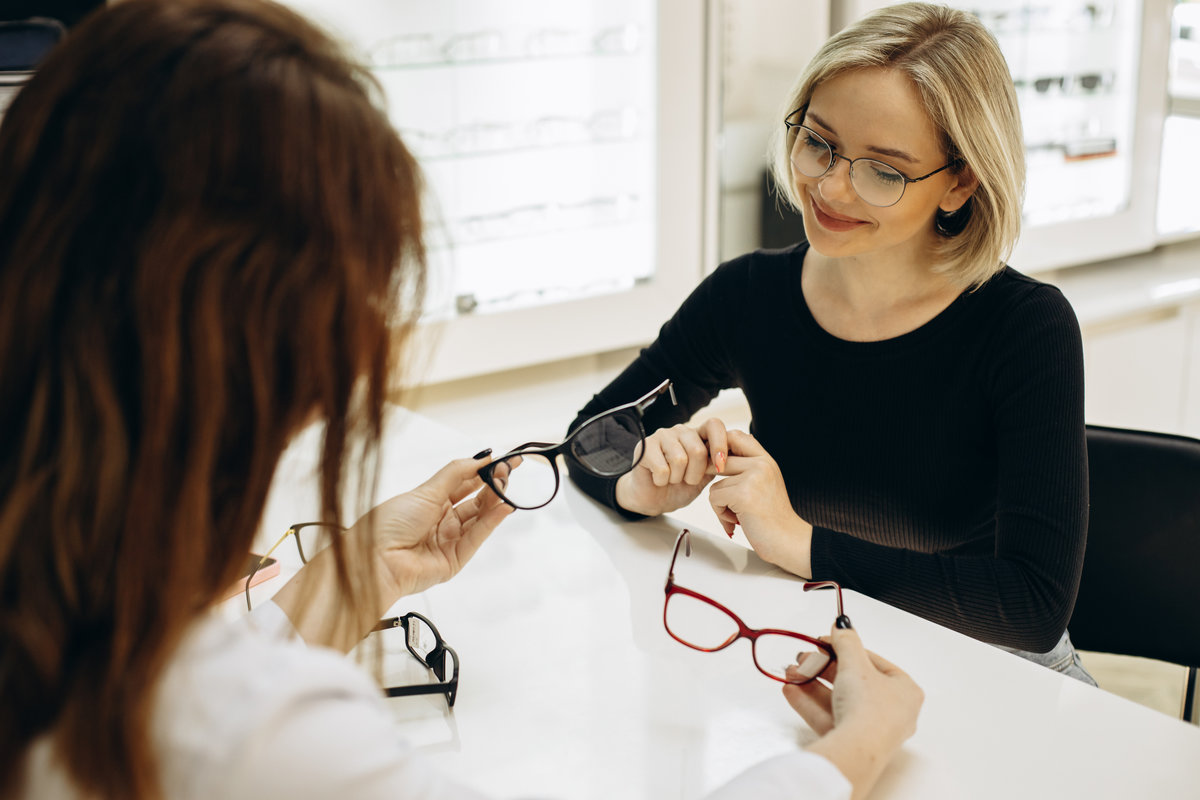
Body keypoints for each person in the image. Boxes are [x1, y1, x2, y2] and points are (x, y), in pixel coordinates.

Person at [0, 1, 921, 798]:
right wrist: (860, 744)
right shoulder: (237, 728)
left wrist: (361, 572)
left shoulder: (60, 605)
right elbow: (222, 716)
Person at [566, 2, 1094, 684]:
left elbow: (1031, 607)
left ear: (961, 180)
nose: (831, 186)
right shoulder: (747, 296)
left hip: (996, 672)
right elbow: (587, 441)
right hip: (823, 642)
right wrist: (637, 484)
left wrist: (799, 542)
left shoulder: (1025, 327)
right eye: (819, 142)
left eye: (884, 170)